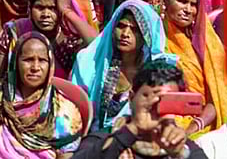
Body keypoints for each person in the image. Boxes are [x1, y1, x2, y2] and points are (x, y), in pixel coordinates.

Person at [0, 32, 83, 159]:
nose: (35, 67)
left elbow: (67, 154)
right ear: (15, 62)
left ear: (50, 64)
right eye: (28, 60)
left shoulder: (63, 110)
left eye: (42, 60)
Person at [71, 0, 174, 132]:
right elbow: (75, 110)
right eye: (121, 26)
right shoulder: (90, 62)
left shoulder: (156, 74)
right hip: (92, 138)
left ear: (146, 36)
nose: (125, 34)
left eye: (135, 30)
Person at [71, 59, 208, 159]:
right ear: (131, 98)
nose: (154, 103)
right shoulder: (103, 139)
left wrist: (180, 154)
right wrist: (132, 130)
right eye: (147, 95)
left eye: (165, 98)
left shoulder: (185, 147)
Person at [161, 0, 227, 136]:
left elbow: (216, 99)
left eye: (193, 4)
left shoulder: (208, 47)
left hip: (199, 127)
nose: (188, 9)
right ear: (165, 1)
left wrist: (191, 129)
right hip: (157, 123)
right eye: (182, 1)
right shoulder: (154, 37)